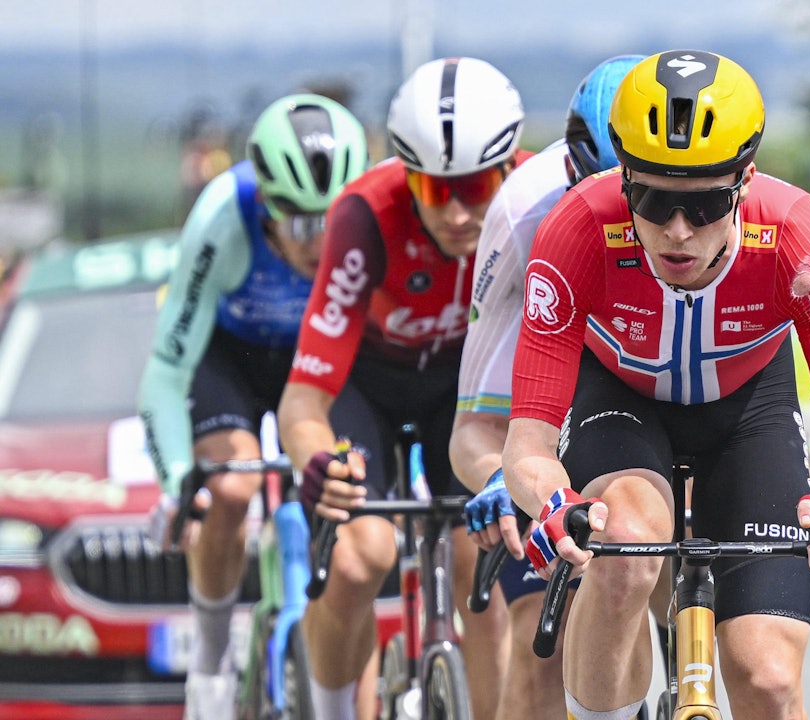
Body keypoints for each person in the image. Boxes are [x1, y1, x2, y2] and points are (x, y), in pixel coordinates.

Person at [501, 50, 810, 720]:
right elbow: (528, 444)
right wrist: (551, 502)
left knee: (768, 679)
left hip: (749, 410)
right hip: (620, 399)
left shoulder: (797, 236)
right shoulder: (577, 228)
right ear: (623, 178)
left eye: (706, 203)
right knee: (626, 548)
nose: (677, 231)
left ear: (745, 181)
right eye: (653, 200)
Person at [276, 56, 528, 720]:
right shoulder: (365, 214)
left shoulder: (536, 199)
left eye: (475, 187)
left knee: (485, 555)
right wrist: (318, 461)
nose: (457, 213)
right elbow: (303, 398)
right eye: (434, 190)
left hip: (466, 389)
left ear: (508, 166)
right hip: (368, 388)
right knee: (361, 559)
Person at [137, 93, 368, 720]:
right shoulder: (221, 215)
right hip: (230, 361)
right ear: (266, 203)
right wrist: (175, 480)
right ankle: (212, 659)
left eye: (333, 221)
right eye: (302, 225)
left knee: (346, 506)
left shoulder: (369, 218)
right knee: (232, 487)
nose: (320, 243)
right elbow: (166, 369)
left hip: (314, 364)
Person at [449, 54, 645, 720]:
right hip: (555, 402)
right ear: (571, 174)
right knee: (543, 641)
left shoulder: (705, 211)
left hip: (647, 400)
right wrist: (499, 477)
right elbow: (478, 423)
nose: (629, 227)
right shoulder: (523, 214)